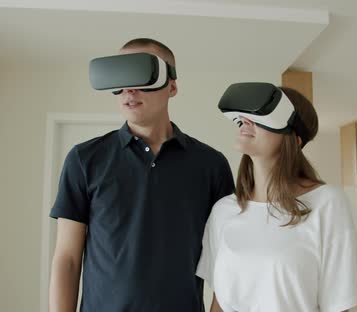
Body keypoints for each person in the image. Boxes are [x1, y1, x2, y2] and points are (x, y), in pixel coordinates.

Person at [49, 38, 235, 312]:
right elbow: (67, 258)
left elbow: (227, 259)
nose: (129, 90)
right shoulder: (84, 159)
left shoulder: (211, 165)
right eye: (121, 78)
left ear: (171, 86)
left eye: (141, 76)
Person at [197, 84, 357, 312]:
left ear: (295, 138)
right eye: (245, 117)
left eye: (262, 115)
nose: (246, 121)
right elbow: (219, 303)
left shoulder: (327, 203)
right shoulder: (224, 210)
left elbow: (338, 305)